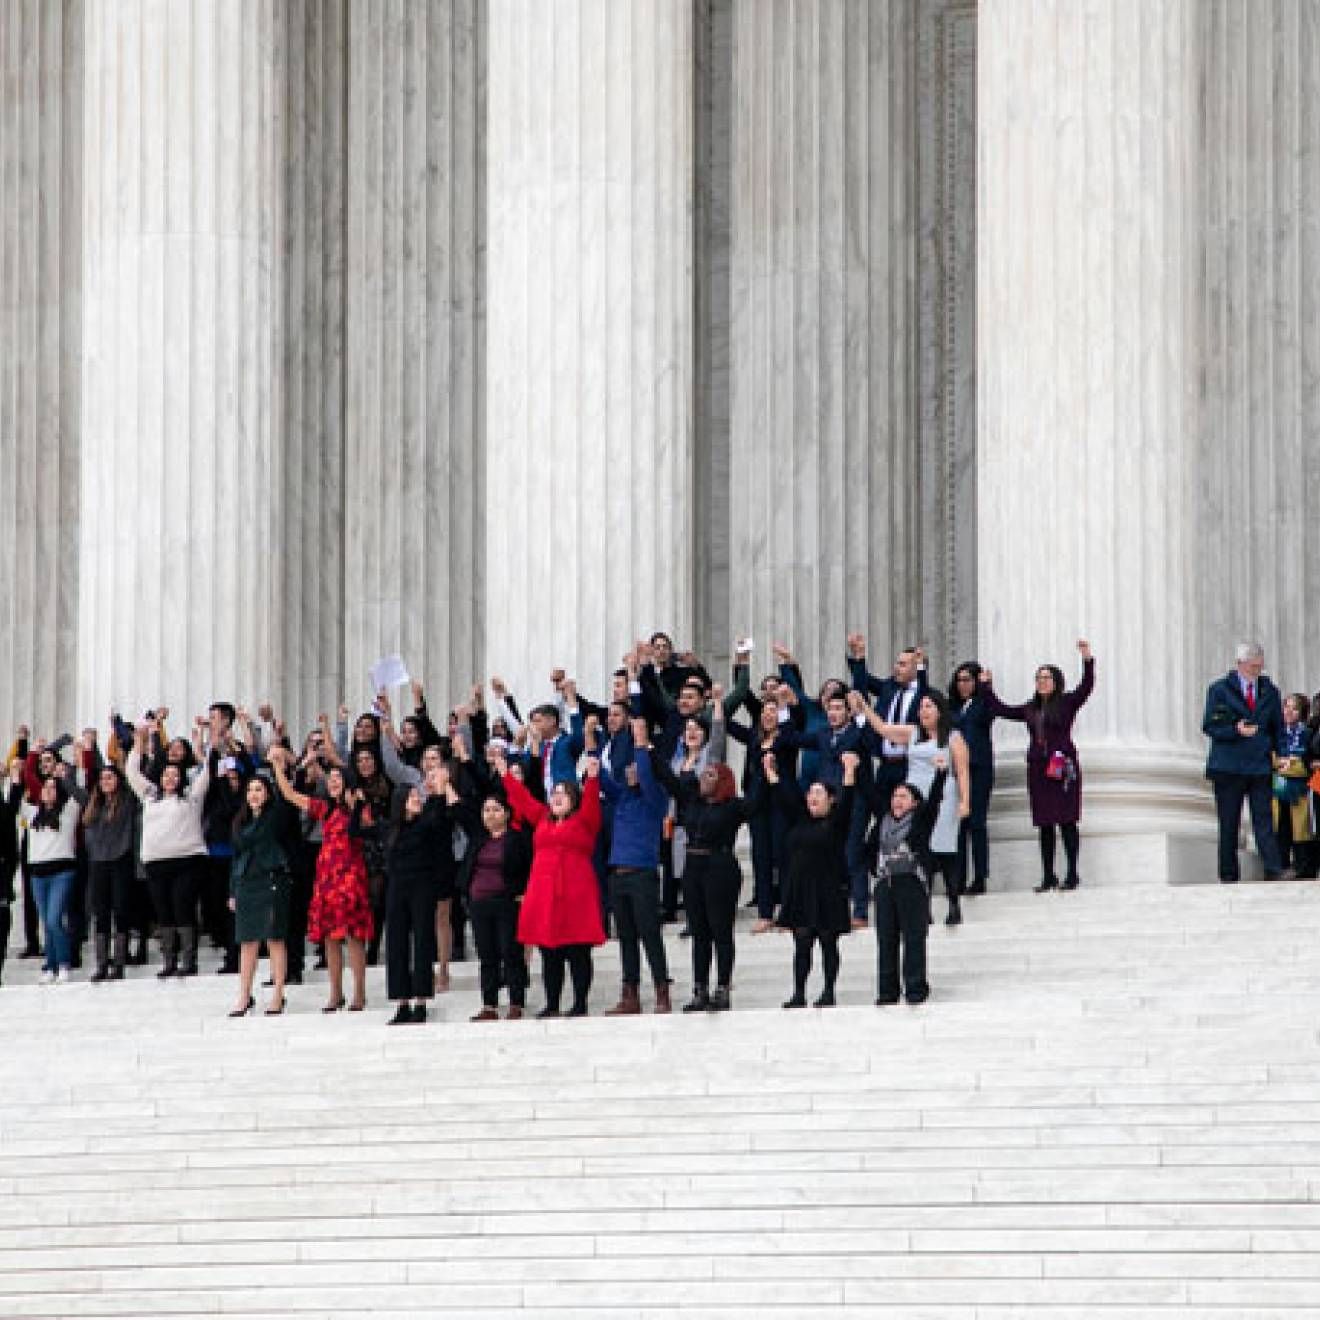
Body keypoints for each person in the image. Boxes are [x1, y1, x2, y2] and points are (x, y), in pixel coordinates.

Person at [980, 641, 1096, 891]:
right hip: (1039, 770)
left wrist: (1087, 660)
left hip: (1062, 768)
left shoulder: (1066, 702)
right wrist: (985, 687)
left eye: (1046, 677)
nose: (1042, 682)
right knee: (1045, 822)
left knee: (1066, 820)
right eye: (1038, 678)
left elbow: (1086, 688)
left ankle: (1072, 873)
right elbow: (1001, 709)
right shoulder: (1029, 709)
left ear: (1056, 681)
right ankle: (1048, 875)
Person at [497, 751, 605, 1018]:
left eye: (564, 793)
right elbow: (522, 800)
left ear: (574, 800)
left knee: (578, 950)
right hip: (544, 893)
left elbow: (592, 802)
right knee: (549, 951)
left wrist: (592, 779)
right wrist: (505, 774)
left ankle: (580, 1003)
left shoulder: (584, 820)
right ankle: (552, 1003)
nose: (556, 796)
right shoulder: (542, 818)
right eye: (554, 792)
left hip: (575, 893)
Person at [652, 755, 761, 1013]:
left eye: (711, 775)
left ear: (723, 781)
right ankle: (699, 989)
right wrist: (649, 749)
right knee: (699, 933)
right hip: (693, 867)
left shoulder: (733, 806)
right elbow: (670, 781)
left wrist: (766, 773)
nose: (704, 778)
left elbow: (758, 803)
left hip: (720, 867)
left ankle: (723, 987)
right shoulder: (693, 802)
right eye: (704, 774)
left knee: (720, 931)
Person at [854, 692, 971, 924]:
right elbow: (884, 729)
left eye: (929, 706)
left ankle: (953, 903)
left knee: (945, 850)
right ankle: (923, 907)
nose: (923, 711)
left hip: (943, 797)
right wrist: (864, 708)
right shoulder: (913, 732)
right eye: (921, 707)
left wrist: (965, 801)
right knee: (919, 850)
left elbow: (962, 771)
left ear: (940, 710)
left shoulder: (954, 738)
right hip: (914, 798)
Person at [271, 752, 373, 1011]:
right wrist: (277, 768)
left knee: (353, 936)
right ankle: (335, 992)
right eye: (330, 778)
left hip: (351, 874)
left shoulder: (359, 807)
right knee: (330, 936)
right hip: (327, 877)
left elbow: (369, 829)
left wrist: (358, 804)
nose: (334, 781)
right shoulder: (324, 808)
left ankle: (359, 992)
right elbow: (291, 796)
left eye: (338, 777)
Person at [765, 750, 858, 1009]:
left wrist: (849, 771)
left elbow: (849, 801)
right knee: (802, 943)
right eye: (811, 793)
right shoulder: (799, 821)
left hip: (829, 889)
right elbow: (783, 799)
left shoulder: (836, 823)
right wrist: (771, 773)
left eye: (819, 793)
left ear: (831, 799)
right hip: (800, 889)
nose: (812, 797)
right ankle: (799, 992)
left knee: (828, 942)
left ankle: (828, 990)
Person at [598, 719, 672, 1015]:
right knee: (626, 937)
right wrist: (592, 740)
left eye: (635, 767)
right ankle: (630, 993)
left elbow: (644, 772)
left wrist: (641, 741)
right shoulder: (623, 798)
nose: (631, 771)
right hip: (618, 874)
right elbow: (603, 779)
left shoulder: (655, 799)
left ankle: (661, 990)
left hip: (642, 875)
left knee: (649, 934)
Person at [126, 722, 211, 977]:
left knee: (182, 906)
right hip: (156, 862)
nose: (171, 779)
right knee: (163, 911)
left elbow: (207, 771)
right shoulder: (150, 795)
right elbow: (131, 771)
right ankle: (169, 961)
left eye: (175, 775)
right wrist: (139, 743)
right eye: (166, 775)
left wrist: (201, 745)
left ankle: (188, 961)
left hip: (187, 860)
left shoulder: (191, 796)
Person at [1202, 642, 1284, 883]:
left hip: (1259, 765)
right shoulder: (1219, 690)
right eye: (1252, 667)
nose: (1256, 672)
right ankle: (1228, 874)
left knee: (1264, 820)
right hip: (1228, 766)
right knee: (1229, 823)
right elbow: (1210, 725)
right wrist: (1234, 730)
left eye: (1259, 667)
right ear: (1239, 665)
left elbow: (1277, 727)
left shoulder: (1270, 692)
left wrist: (1282, 754)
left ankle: (1273, 868)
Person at [451, 785, 533, 1021]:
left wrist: (524, 893)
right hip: (479, 904)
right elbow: (459, 811)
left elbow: (528, 867)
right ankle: (489, 1005)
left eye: (496, 810)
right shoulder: (479, 839)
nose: (490, 814)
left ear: (506, 813)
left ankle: (516, 1003)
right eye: (486, 810)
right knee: (487, 955)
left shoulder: (517, 839)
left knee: (511, 952)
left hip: (507, 902)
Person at [869, 771, 948, 1005]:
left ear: (914, 802)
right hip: (885, 883)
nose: (897, 800)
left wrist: (940, 775)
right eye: (895, 796)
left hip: (911, 883)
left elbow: (934, 802)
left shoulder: (920, 821)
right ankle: (887, 991)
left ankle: (915, 987)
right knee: (886, 939)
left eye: (903, 796)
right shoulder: (881, 822)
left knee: (913, 937)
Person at [7, 759, 86, 982]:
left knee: (53, 919)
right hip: (38, 874)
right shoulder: (33, 814)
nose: (48, 791)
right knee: (46, 921)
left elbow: (81, 796)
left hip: (62, 872)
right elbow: (14, 804)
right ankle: (50, 965)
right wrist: (15, 776)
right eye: (45, 787)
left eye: (52, 788)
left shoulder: (68, 812)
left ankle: (63, 963)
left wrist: (65, 778)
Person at [227, 774, 294, 1017]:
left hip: (271, 880)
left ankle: (278, 994)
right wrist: (232, 890)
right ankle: (244, 995)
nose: (254, 794)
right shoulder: (240, 821)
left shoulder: (274, 817)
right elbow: (235, 858)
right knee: (247, 942)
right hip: (246, 883)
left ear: (267, 793)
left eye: (259, 789)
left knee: (274, 939)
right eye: (250, 790)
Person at [81, 762, 142, 981]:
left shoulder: (127, 801)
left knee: (121, 910)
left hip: (120, 861)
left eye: (110, 777)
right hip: (98, 863)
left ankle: (119, 963)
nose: (106, 781)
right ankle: (101, 964)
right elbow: (71, 786)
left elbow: (136, 778)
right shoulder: (92, 804)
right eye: (103, 778)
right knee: (101, 913)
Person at [949, 662, 996, 895]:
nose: (962, 685)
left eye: (967, 679)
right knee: (959, 825)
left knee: (977, 823)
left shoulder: (981, 703)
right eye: (959, 680)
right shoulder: (954, 708)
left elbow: (991, 711)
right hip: (957, 771)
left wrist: (988, 688)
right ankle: (958, 878)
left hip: (979, 769)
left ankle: (980, 877)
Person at [1272, 693, 1312, 879]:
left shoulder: (1307, 733)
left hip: (1299, 790)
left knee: (1300, 829)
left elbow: (1306, 763)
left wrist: (1287, 765)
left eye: (1294, 708)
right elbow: (1272, 759)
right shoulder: (1276, 732)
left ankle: (1302, 867)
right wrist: (1283, 763)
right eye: (1286, 707)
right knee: (1280, 826)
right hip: (1278, 789)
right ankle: (1279, 865)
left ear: (1302, 712)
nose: (1288, 711)